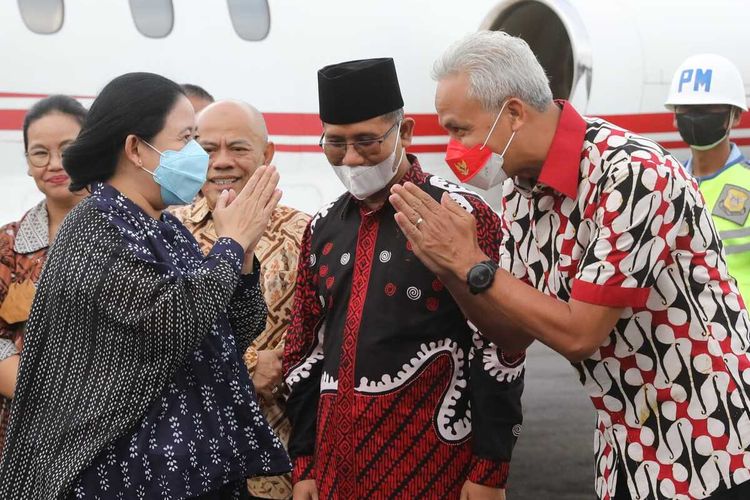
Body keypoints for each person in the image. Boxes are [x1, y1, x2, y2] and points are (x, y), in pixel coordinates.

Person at [389, 30, 750, 499]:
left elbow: (580, 334)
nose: (452, 148)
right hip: (627, 450)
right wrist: (451, 268)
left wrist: (472, 262)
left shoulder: (630, 172)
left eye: (459, 129)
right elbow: (512, 332)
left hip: (711, 444)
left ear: (514, 113)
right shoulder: (521, 191)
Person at [0, 72, 291, 499]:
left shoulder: (164, 229)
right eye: (186, 139)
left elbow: (231, 326)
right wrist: (231, 243)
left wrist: (243, 255)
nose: (199, 155)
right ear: (136, 149)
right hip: (125, 476)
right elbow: (176, 320)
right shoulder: (95, 227)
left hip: (189, 473)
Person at [283, 58, 524, 500]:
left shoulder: (460, 214)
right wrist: (304, 466)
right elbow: (304, 352)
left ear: (405, 132)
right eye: (335, 144)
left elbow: (499, 345)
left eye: (367, 142)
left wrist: (490, 469)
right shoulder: (322, 228)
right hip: (337, 475)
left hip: (435, 470)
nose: (351, 158)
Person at [172, 99, 310, 499]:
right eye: (208, 148)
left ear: (267, 154)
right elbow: (158, 338)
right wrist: (250, 362)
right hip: (185, 468)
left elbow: (327, 337)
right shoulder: (167, 232)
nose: (221, 162)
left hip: (281, 463)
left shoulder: (308, 233)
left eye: (238, 148)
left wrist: (281, 363)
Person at [0, 95, 87, 457]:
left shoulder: (128, 236)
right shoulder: (8, 244)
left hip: (103, 432)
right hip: (21, 432)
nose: (55, 164)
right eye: (39, 153)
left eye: (69, 149)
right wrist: (36, 390)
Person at [665, 53, 750, 300]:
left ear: (735, 115)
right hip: (687, 334)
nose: (695, 116)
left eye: (708, 108)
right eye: (688, 108)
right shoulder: (666, 184)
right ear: (674, 115)